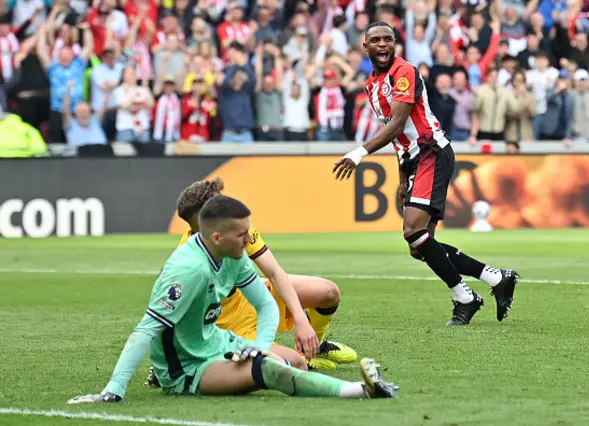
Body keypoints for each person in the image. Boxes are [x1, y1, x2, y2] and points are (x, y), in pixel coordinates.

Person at [67, 196, 397, 403]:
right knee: (269, 370)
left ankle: (324, 365)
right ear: (216, 236)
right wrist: (113, 389)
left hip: (218, 339)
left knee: (289, 361)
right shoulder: (187, 270)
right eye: (243, 234)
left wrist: (262, 344)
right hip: (188, 366)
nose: (249, 239)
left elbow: (266, 304)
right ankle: (362, 390)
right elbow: (146, 330)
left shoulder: (233, 255)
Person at [333, 22, 519, 326]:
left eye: (387, 40)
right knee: (420, 247)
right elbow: (397, 136)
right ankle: (496, 278)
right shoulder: (371, 85)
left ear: (395, 45)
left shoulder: (404, 71)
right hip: (412, 159)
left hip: (431, 151)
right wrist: (400, 178)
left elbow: (397, 122)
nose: (382, 45)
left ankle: (466, 297)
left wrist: (359, 153)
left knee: (413, 231)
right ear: (364, 47)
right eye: (375, 40)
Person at [161, 178, 357, 371]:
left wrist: (301, 320)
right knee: (294, 365)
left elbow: (274, 272)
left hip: (250, 298)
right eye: (220, 205)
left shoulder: (236, 227)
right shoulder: (188, 260)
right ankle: (301, 360)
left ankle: (314, 347)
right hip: (231, 330)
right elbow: (172, 316)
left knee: (328, 292)